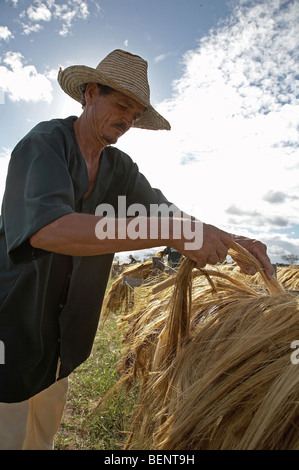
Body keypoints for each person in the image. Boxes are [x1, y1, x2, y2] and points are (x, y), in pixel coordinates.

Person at [0, 49, 274, 450]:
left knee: (42, 434)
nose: (128, 120)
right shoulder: (44, 145)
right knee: (7, 432)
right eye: (122, 105)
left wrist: (235, 243)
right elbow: (49, 229)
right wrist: (168, 231)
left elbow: (174, 218)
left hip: (60, 341)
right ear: (90, 93)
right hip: (12, 327)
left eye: (135, 113)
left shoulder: (120, 170)